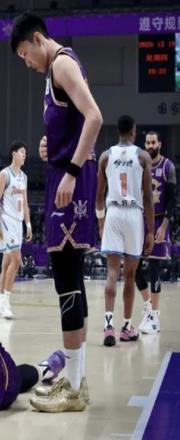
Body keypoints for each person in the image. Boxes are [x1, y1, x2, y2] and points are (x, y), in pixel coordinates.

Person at [10, 12, 102, 411]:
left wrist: (71, 171)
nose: (26, 63)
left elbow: (95, 116)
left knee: (66, 278)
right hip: (63, 174)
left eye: (24, 54)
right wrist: (49, 147)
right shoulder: (54, 72)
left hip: (71, 181)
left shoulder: (62, 63)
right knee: (71, 277)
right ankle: (76, 380)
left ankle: (75, 389)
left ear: (37, 39)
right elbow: (74, 123)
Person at [96, 115, 154, 347]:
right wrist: (150, 231)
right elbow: (148, 199)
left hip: (113, 213)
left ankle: (108, 325)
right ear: (133, 131)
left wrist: (101, 223)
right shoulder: (142, 156)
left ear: (118, 132)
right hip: (133, 215)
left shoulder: (105, 156)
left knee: (112, 272)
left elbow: (98, 196)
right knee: (130, 275)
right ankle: (127, 327)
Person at [135, 131, 176, 334]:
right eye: (148, 143)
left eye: (153, 142)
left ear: (159, 143)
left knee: (154, 269)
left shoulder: (168, 167)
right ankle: (149, 308)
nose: (150, 145)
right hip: (140, 220)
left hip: (158, 221)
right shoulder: (140, 165)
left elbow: (172, 200)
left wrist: (164, 226)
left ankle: (155, 318)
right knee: (133, 269)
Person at [0, 140, 32, 319]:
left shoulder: (24, 177)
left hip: (18, 223)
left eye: (25, 153)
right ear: (14, 154)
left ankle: (0, 306)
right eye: (22, 152)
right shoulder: (4, 174)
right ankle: (6, 303)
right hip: (6, 220)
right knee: (17, 261)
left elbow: (25, 203)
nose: (24, 155)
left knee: (7, 263)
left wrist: (28, 224)